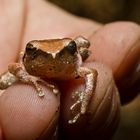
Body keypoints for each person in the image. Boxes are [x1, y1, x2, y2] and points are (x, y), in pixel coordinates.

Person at [0, 0, 139, 139]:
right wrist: (27, 78)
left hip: (69, 62)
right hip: (31, 73)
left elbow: (91, 73)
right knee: (3, 81)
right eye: (32, 50)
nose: (53, 56)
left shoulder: (78, 65)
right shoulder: (23, 63)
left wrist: (85, 100)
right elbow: (13, 67)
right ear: (26, 54)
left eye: (71, 48)